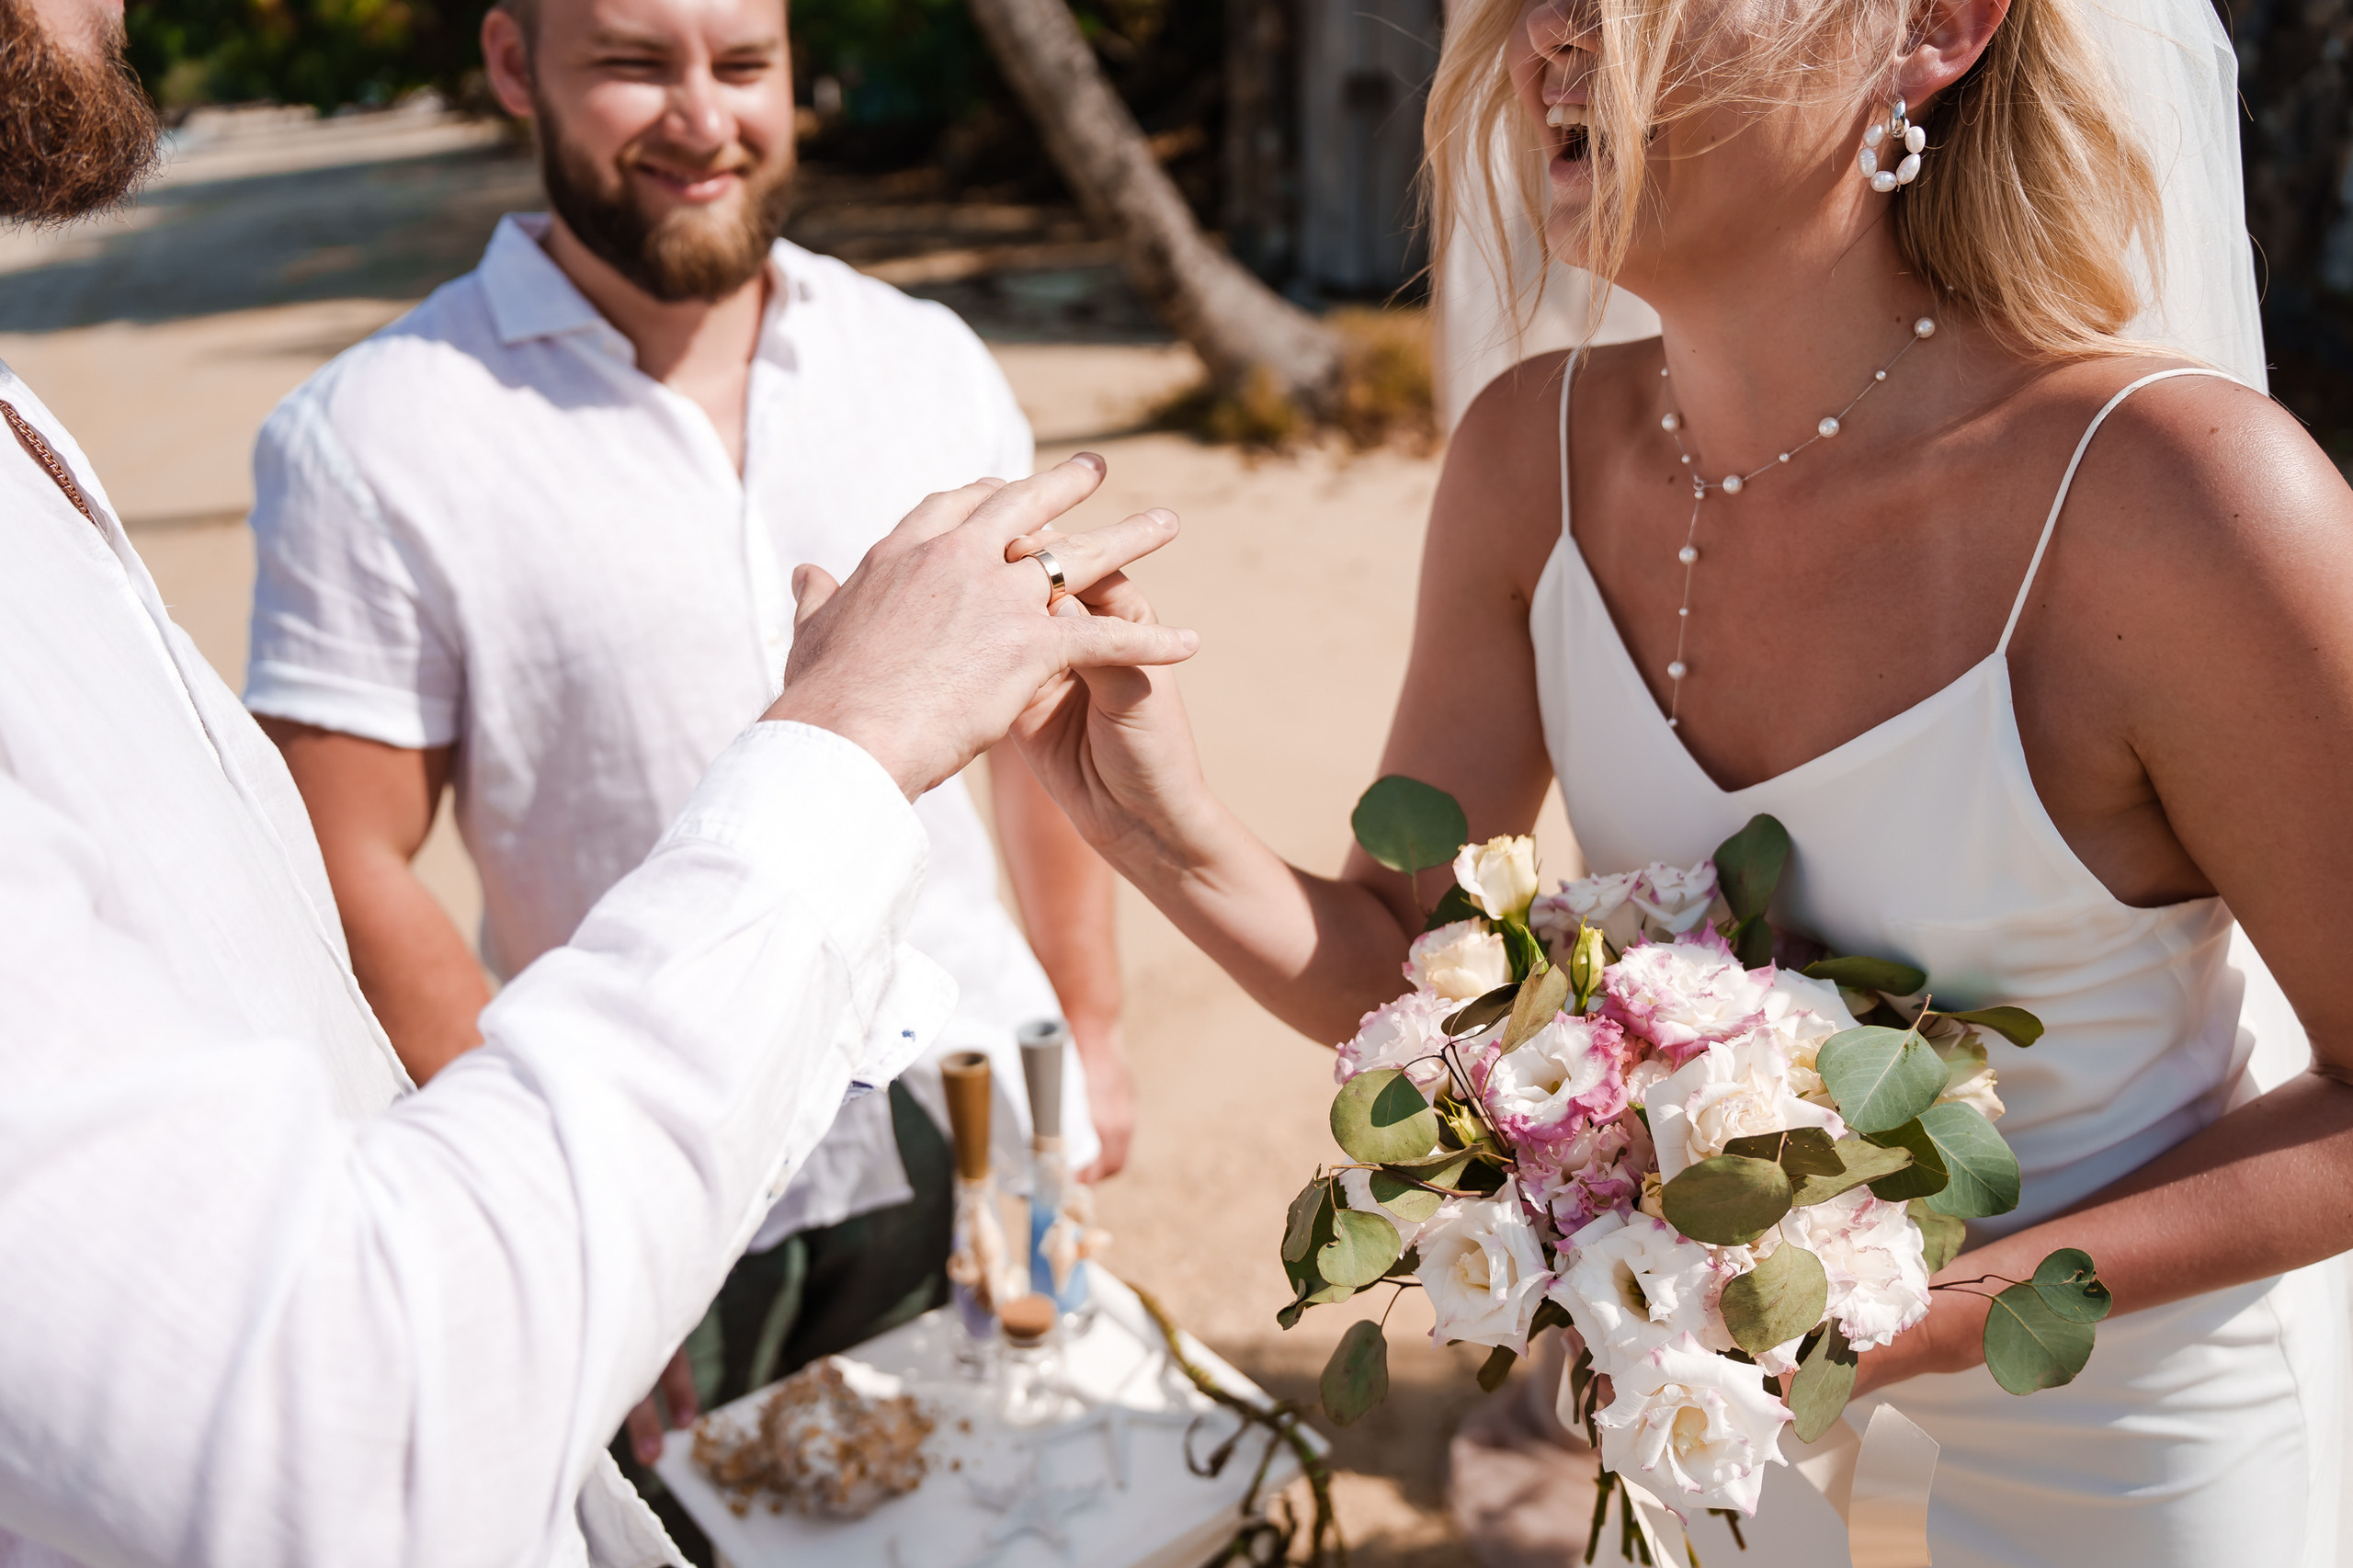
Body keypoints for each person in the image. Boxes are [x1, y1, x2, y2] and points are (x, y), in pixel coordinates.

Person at [1008, 0, 2353, 1562]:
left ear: (1933, 27)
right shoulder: (1530, 459)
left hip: (2123, 1480)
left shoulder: (2184, 500)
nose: (1551, 34)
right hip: (1718, 1462)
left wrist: (1901, 1316)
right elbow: (1407, 966)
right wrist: (1155, 820)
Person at [0, 0, 1194, 1555]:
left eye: (746, 66)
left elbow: (1041, 747)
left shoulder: (930, 360)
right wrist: (527, 1211)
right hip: (641, 1180)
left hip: (970, 1102)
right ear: (514, 66)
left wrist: (1087, 1029)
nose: (703, 116)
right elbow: (347, 856)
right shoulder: (371, 429)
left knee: (1021, 1516)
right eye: (635, 63)